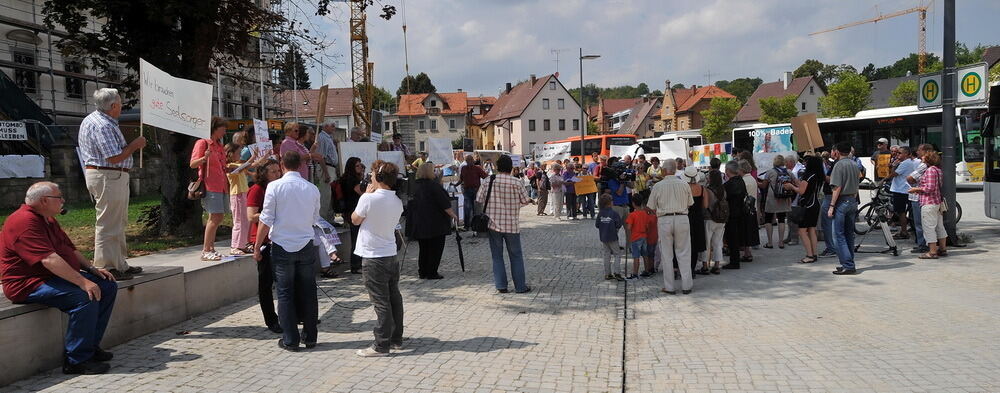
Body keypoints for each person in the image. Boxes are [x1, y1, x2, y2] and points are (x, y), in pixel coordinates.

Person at [1, 182, 118, 375]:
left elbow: (68, 249)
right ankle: (76, 360)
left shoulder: (48, 219)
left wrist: (91, 270)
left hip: (52, 277)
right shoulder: (23, 221)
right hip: (27, 284)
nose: (63, 200)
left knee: (106, 286)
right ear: (44, 200)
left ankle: (89, 346)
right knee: (84, 297)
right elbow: (48, 259)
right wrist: (83, 282)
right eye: (59, 197)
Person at [254, 151, 321, 351]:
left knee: (284, 293)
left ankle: (290, 339)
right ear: (300, 165)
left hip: (282, 245)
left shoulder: (274, 187)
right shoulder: (312, 188)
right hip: (305, 243)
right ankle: (310, 337)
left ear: (282, 165)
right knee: (309, 291)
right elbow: (314, 219)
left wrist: (257, 247)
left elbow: (266, 219)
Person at [77, 88, 145, 280]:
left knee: (118, 221)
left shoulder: (100, 121)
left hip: (110, 176)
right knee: (108, 223)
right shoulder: (102, 125)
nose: (122, 106)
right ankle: (107, 267)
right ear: (113, 106)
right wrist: (135, 145)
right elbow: (114, 157)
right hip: (108, 175)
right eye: (120, 103)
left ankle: (119, 263)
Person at [350, 160, 406, 356]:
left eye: (373, 175)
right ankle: (396, 338)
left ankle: (381, 344)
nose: (370, 178)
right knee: (394, 298)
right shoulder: (397, 201)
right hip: (390, 254)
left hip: (373, 256)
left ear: (379, 178)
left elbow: (355, 219)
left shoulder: (368, 199)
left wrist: (366, 195)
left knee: (381, 302)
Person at [477, 155, 534, 294]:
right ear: (511, 167)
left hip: (493, 224)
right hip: (512, 225)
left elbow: (479, 199)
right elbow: (525, 200)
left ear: (497, 167)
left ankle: (501, 286)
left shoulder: (488, 181)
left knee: (497, 256)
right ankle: (520, 287)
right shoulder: (517, 182)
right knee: (516, 256)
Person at [246, 159, 283, 333]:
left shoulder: (280, 188)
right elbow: (251, 216)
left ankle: (294, 314)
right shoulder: (257, 189)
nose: (277, 174)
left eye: (278, 171)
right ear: (264, 173)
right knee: (266, 283)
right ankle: (271, 319)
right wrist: (270, 213)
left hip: (282, 239)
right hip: (264, 241)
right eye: (273, 171)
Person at [647, 160, 694, 294]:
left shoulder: (658, 186)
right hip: (682, 218)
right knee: (684, 252)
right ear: (674, 170)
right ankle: (687, 285)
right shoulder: (684, 184)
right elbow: (690, 203)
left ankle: (669, 287)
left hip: (665, 219)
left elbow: (650, 206)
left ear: (663, 170)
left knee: (667, 254)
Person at [190, 117, 231, 261]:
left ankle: (211, 248)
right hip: (210, 184)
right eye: (223, 128)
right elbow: (193, 164)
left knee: (218, 216)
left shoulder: (219, 146)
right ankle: (206, 249)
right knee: (215, 216)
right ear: (215, 127)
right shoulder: (202, 143)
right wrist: (203, 158)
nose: (225, 131)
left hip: (222, 185)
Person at [411, 163, 458, 279]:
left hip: (420, 221)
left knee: (424, 248)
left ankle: (423, 271)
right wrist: (453, 215)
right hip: (435, 222)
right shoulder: (434, 186)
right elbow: (444, 204)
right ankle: (432, 272)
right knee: (435, 249)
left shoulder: (415, 185)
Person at [783, 156, 824, 263]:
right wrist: (796, 182)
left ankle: (809, 255)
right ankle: (814, 254)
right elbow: (805, 187)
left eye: (806, 162)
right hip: (815, 204)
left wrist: (791, 186)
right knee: (811, 230)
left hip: (807, 205)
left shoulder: (808, 175)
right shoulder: (818, 175)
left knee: (802, 231)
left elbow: (801, 191)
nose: (804, 164)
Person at [828, 142, 861, 275]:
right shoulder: (854, 163)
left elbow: (837, 187)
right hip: (852, 199)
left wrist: (831, 206)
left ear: (837, 151)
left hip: (842, 201)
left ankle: (848, 264)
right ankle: (849, 262)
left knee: (838, 235)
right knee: (849, 234)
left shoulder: (839, 165)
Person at [908, 151, 947, 259]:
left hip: (929, 202)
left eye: (924, 157)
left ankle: (932, 251)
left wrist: (916, 189)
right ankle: (942, 248)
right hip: (937, 202)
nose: (922, 158)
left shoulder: (930, 171)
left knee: (929, 228)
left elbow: (929, 188)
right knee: (939, 226)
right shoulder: (938, 170)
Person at [225, 143, 254, 255]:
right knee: (238, 221)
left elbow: (250, 165)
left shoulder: (237, 164)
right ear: (231, 154)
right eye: (238, 153)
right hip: (237, 195)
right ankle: (235, 246)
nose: (240, 155)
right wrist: (252, 158)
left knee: (245, 221)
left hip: (243, 193)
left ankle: (244, 244)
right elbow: (243, 167)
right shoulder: (230, 166)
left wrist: (262, 157)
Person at [906, 144, 935, 254]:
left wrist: (911, 180)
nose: (917, 152)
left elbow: (911, 178)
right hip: (922, 197)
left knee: (920, 223)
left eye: (919, 150)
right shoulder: (931, 166)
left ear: (926, 152)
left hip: (918, 196)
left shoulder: (924, 166)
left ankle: (922, 244)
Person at [761, 155, 794, 249]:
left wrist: (757, 182)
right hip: (783, 198)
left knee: (768, 219)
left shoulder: (770, 172)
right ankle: (781, 242)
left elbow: (764, 186)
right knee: (781, 219)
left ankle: (770, 242)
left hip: (772, 198)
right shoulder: (788, 172)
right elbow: (795, 182)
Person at [698, 168, 727, 275]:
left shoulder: (707, 190)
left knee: (706, 243)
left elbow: (705, 205)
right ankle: (716, 265)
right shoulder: (723, 190)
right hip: (721, 219)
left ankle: (705, 266)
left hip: (709, 218)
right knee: (718, 243)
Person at [341, 157, 366, 274]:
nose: (360, 168)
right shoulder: (351, 179)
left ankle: (357, 264)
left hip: (350, 210)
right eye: (357, 166)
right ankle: (356, 265)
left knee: (357, 238)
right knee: (356, 239)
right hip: (353, 211)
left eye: (360, 165)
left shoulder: (347, 178)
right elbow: (361, 193)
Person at [887, 146, 917, 240]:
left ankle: (904, 231)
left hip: (901, 190)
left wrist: (893, 166)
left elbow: (894, 174)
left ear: (906, 154)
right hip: (902, 189)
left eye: (900, 153)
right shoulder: (906, 162)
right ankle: (905, 229)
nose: (897, 154)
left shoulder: (905, 163)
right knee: (901, 211)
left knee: (901, 212)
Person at [722, 161, 747, 270]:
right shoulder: (741, 181)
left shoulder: (728, 185)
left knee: (732, 238)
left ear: (728, 171)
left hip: (731, 213)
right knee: (737, 237)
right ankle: (735, 259)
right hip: (741, 212)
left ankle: (734, 261)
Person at [683, 167, 707, 277]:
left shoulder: (684, 188)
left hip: (686, 217)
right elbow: (705, 206)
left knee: (686, 244)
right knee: (695, 245)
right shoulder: (702, 189)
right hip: (698, 218)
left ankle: (685, 269)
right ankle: (692, 269)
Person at [315, 124, 341, 222]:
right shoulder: (322, 138)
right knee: (325, 195)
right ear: (325, 127)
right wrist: (325, 172)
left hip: (330, 167)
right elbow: (321, 156)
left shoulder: (327, 138)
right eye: (332, 126)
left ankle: (329, 220)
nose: (334, 128)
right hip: (326, 167)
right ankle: (323, 220)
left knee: (330, 196)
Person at [595, 194, 624, 281]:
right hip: (613, 237)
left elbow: (597, 225)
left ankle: (607, 273)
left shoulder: (600, 213)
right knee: (617, 254)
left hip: (603, 237)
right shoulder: (614, 213)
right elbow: (619, 224)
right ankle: (617, 272)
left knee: (606, 255)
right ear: (609, 203)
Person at [457, 155, 487, 229]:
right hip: (467, 190)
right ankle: (467, 225)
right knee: (467, 208)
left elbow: (485, 177)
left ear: (473, 161)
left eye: (470, 160)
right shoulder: (464, 168)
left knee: (475, 209)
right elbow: (461, 179)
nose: (468, 162)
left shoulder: (477, 168)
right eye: (467, 160)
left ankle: (475, 225)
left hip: (476, 190)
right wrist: (456, 184)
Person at [739, 160, 760, 261]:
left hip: (746, 209)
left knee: (746, 232)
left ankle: (747, 253)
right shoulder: (751, 178)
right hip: (753, 208)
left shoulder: (744, 180)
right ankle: (748, 252)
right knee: (749, 231)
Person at [624, 196, 649, 280]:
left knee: (636, 256)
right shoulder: (645, 213)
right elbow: (647, 226)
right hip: (644, 236)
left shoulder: (632, 215)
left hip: (635, 237)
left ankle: (635, 274)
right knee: (645, 255)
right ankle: (646, 270)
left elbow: (629, 227)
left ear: (633, 204)